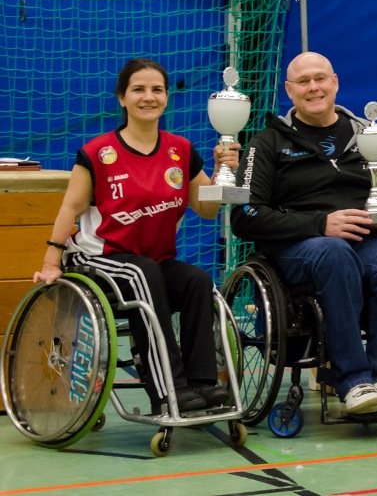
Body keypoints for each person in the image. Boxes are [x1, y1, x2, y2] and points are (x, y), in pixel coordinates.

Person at [34, 58, 238, 413]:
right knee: (144, 274)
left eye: (157, 90)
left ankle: (202, 383)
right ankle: (168, 391)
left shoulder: (181, 151)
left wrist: (221, 172)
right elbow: (70, 209)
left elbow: (206, 210)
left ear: (166, 97)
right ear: (122, 98)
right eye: (138, 90)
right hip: (99, 258)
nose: (149, 97)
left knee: (196, 280)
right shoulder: (98, 153)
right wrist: (51, 261)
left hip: (153, 262)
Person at [230, 52, 377, 415]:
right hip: (297, 250)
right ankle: (353, 381)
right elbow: (245, 215)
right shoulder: (267, 143)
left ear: (335, 82)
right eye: (303, 82)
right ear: (289, 90)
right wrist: (320, 224)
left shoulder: (370, 135)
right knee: (333, 252)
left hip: (365, 245)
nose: (313, 87)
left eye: (320, 79)